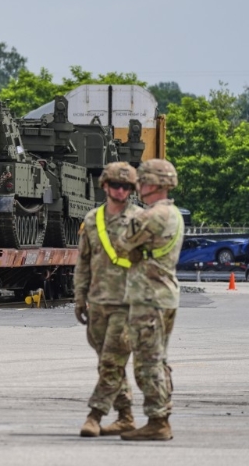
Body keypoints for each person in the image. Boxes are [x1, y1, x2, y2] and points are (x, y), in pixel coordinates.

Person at [115, 158, 184, 441]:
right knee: (158, 359)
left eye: (142, 181)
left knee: (147, 363)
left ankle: (158, 421)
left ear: (154, 184)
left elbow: (122, 244)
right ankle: (161, 416)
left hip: (148, 297)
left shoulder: (151, 216)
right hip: (165, 295)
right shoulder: (174, 213)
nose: (138, 187)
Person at [74, 162, 143, 437]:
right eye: (116, 185)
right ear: (105, 186)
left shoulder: (140, 220)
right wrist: (79, 297)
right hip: (98, 302)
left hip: (128, 304)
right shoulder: (92, 220)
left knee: (112, 362)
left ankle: (94, 415)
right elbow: (83, 262)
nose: (121, 191)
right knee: (108, 361)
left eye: (126, 186)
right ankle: (126, 416)